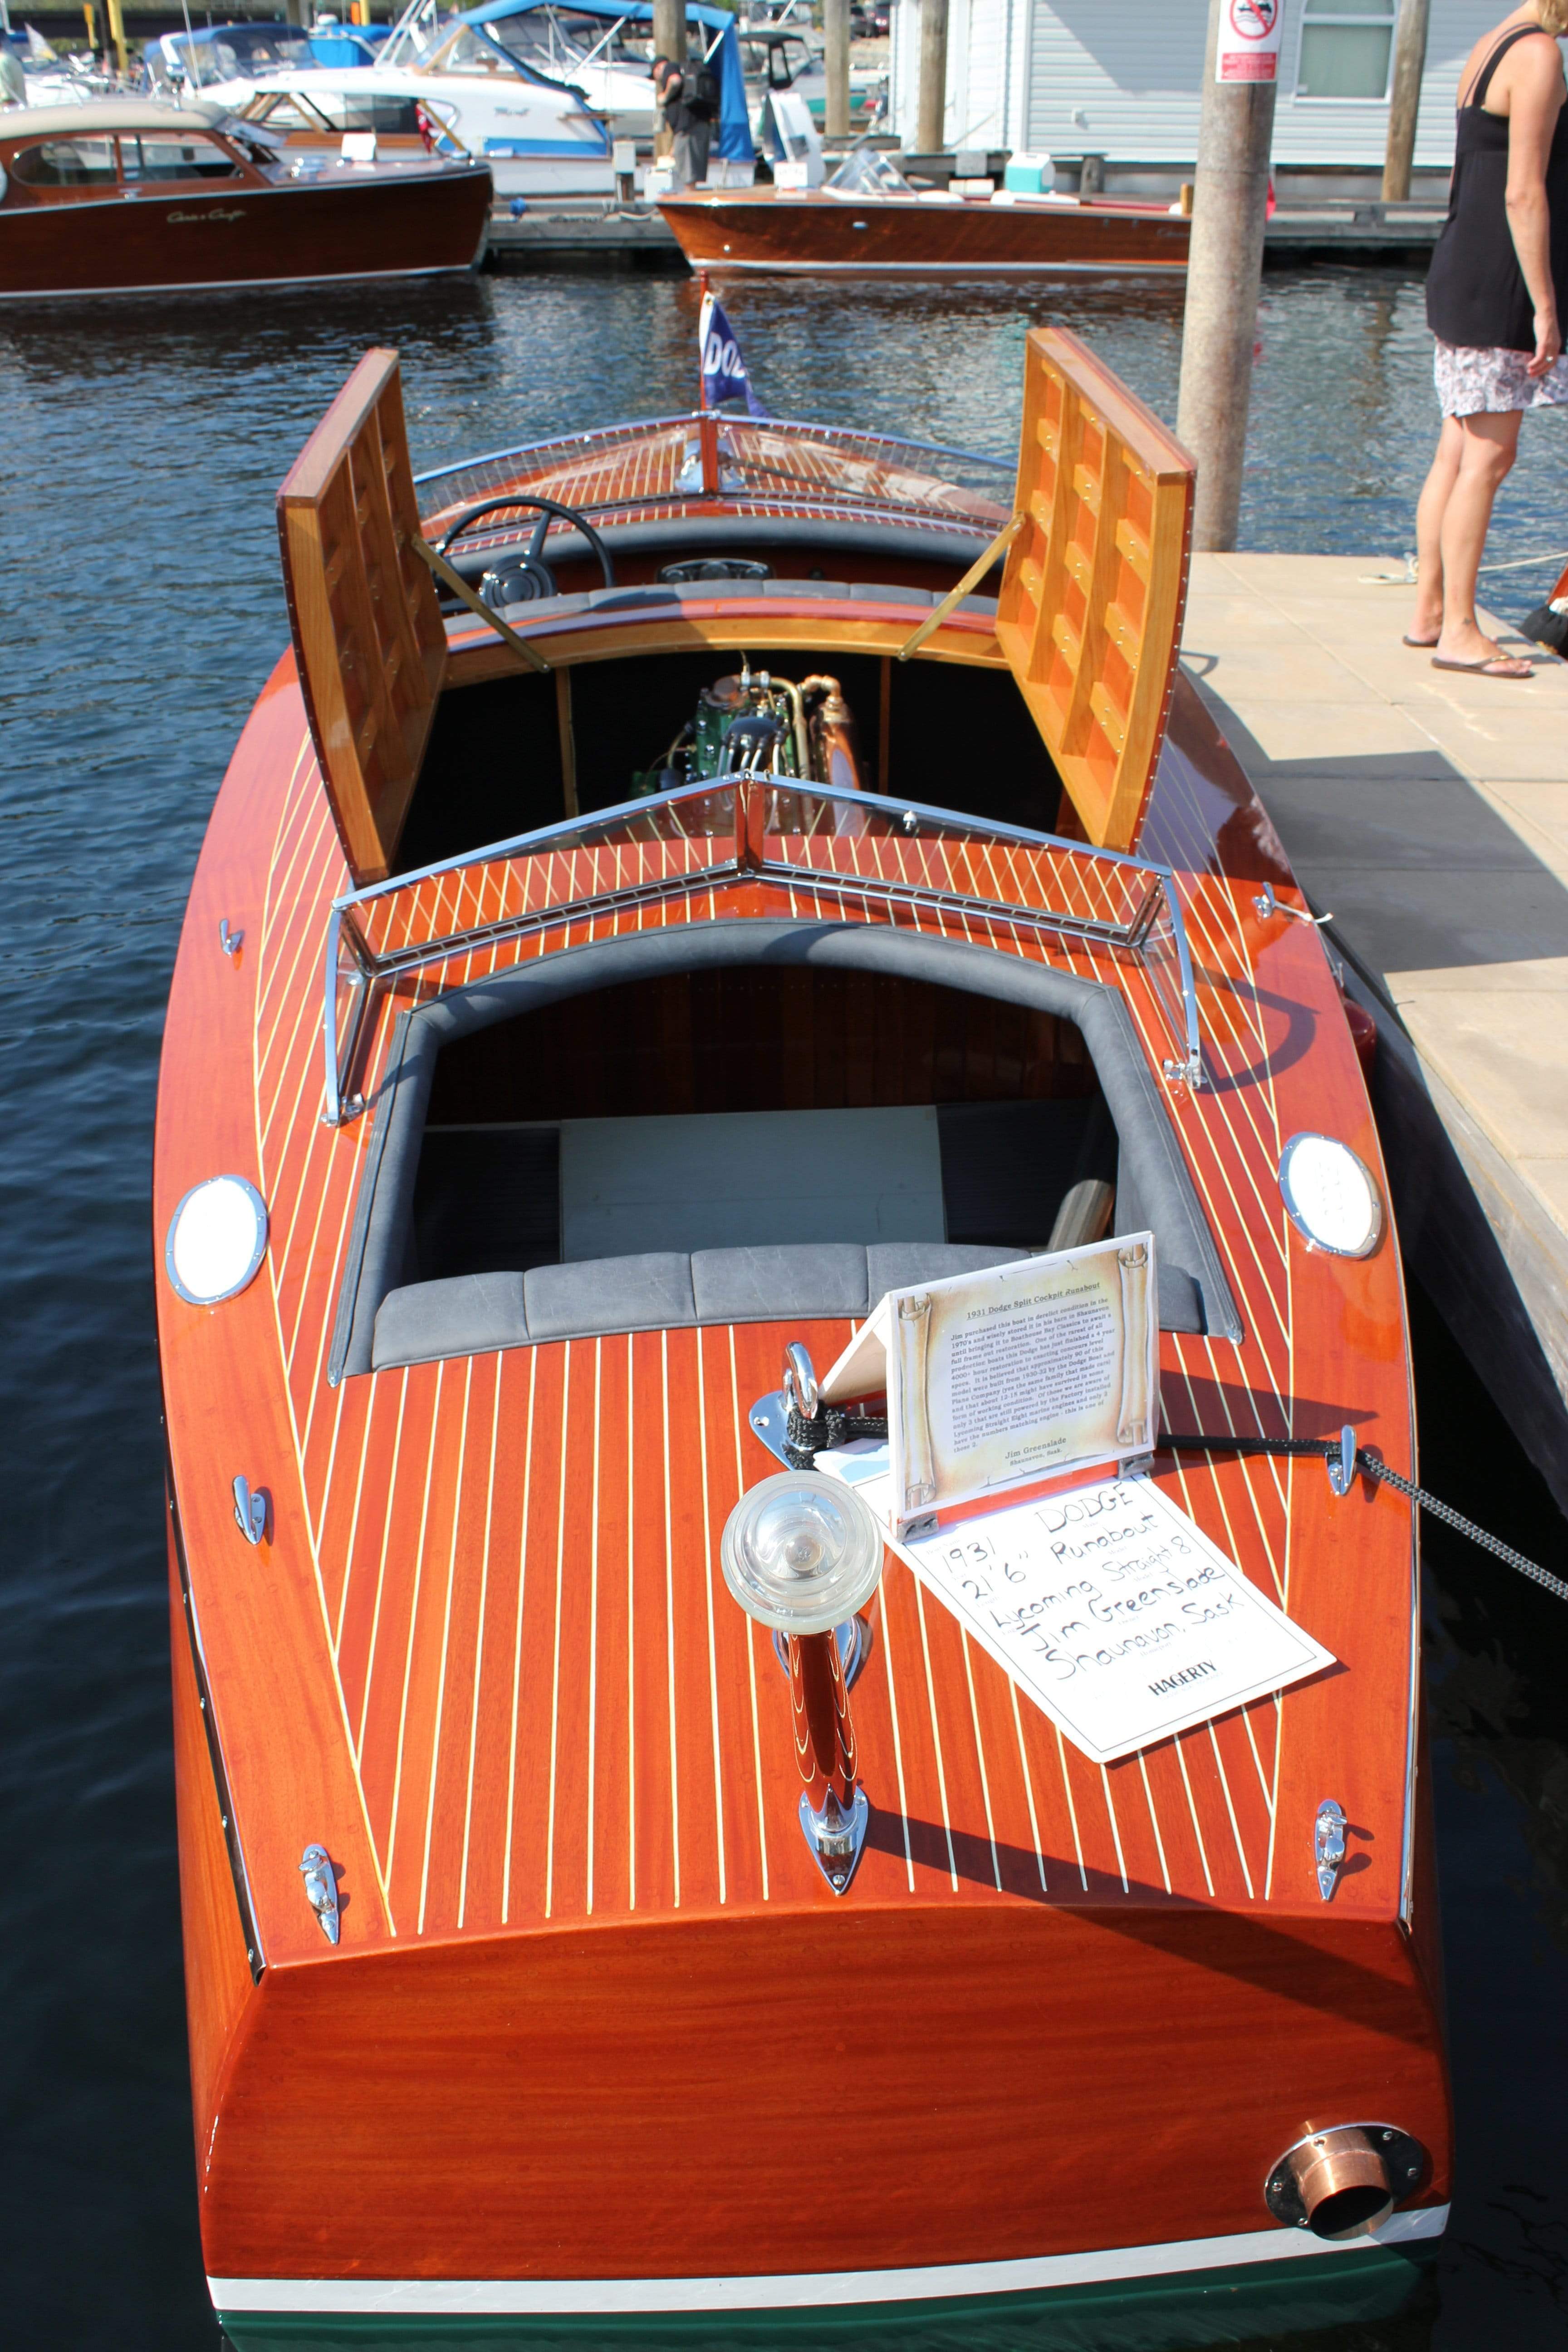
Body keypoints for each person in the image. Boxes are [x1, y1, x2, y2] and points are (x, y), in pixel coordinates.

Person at [1411, 1, 1568, 676]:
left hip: (1462, 268)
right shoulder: (1539, 55)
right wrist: (1545, 306)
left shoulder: (1489, 46)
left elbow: (1464, 176)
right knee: (1489, 460)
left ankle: (1429, 612)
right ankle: (1462, 633)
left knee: (1457, 448)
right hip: (1499, 281)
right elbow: (1522, 193)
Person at [661, 46, 718, 189]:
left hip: (688, 131)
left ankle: (688, 208)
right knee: (692, 179)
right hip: (701, 126)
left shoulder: (669, 67)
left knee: (688, 180)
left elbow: (675, 81)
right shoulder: (695, 69)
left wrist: (664, 97)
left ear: (657, 68)